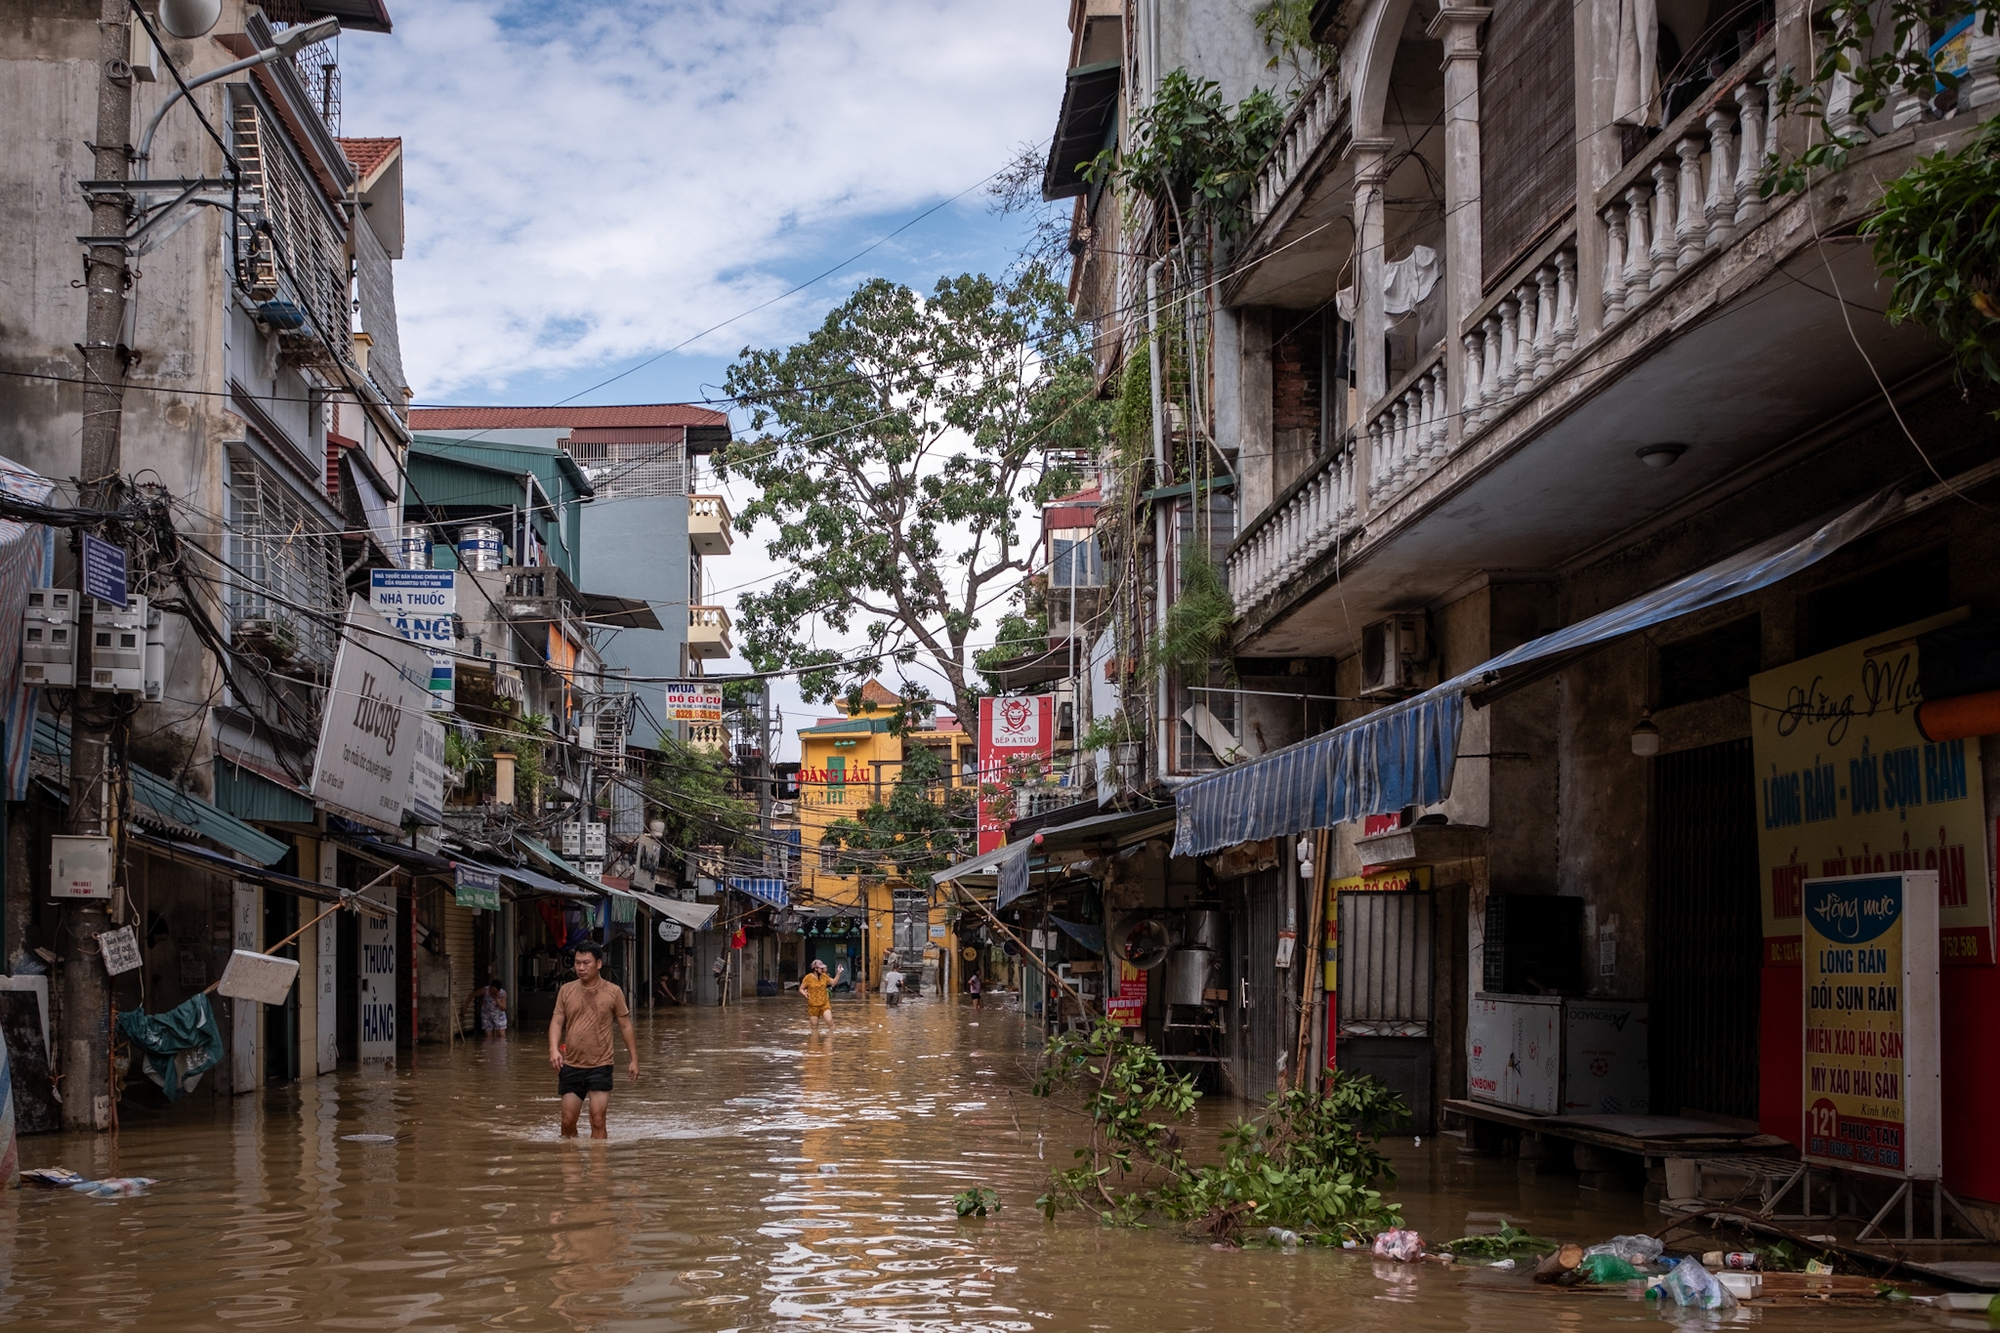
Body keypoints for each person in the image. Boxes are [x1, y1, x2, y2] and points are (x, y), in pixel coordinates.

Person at [547, 941, 638, 1139]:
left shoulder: (613, 992)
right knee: (567, 1122)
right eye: (577, 963)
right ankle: (571, 1162)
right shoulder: (566, 991)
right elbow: (556, 1022)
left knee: (597, 1120)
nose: (580, 967)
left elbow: (625, 1026)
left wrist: (634, 1060)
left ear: (598, 964)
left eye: (586, 963)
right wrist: (553, 1049)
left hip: (601, 1065)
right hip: (570, 1064)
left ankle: (599, 1167)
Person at [799, 958, 844, 1034]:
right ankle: (815, 1043)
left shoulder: (824, 976)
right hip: (813, 1005)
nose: (823, 970)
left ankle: (831, 1040)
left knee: (830, 1022)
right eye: (821, 968)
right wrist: (805, 994)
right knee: (814, 1026)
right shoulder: (808, 978)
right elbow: (801, 989)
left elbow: (833, 982)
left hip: (824, 1004)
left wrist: (839, 973)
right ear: (815, 968)